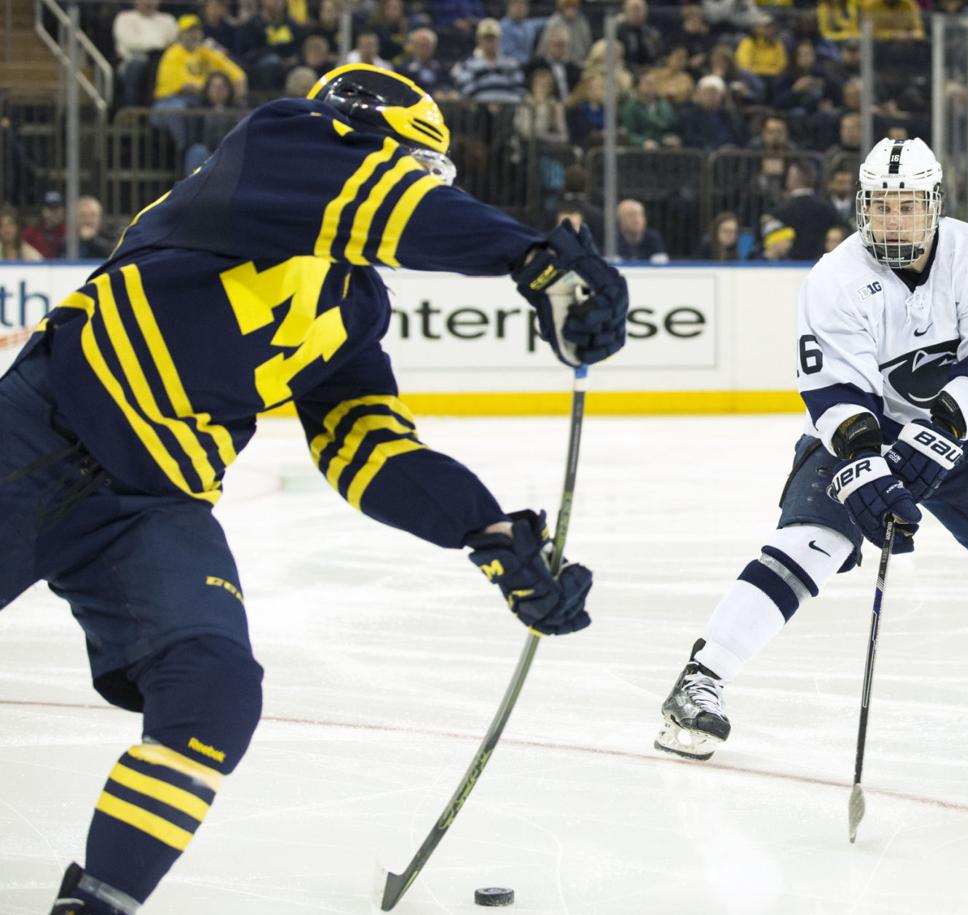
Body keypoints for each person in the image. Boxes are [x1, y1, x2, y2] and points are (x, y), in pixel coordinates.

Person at [5, 64, 627, 914]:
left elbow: (366, 450)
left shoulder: (356, 306)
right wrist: (529, 256)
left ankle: (101, 902)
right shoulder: (275, 146)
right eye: (413, 168)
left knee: (213, 691)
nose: (416, 187)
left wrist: (492, 534)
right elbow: (384, 205)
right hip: (38, 431)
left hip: (150, 508)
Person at [654, 137, 968, 765]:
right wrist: (865, 464)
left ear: (934, 204)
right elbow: (835, 389)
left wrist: (938, 437)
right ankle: (701, 677)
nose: (893, 219)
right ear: (863, 205)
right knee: (811, 546)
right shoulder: (835, 277)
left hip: (959, 431)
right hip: (858, 432)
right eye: (881, 205)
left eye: (907, 205)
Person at [21, 191, 67, 259]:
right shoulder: (30, 233)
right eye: (51, 209)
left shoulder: (67, 232)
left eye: (58, 209)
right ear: (43, 210)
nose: (55, 213)